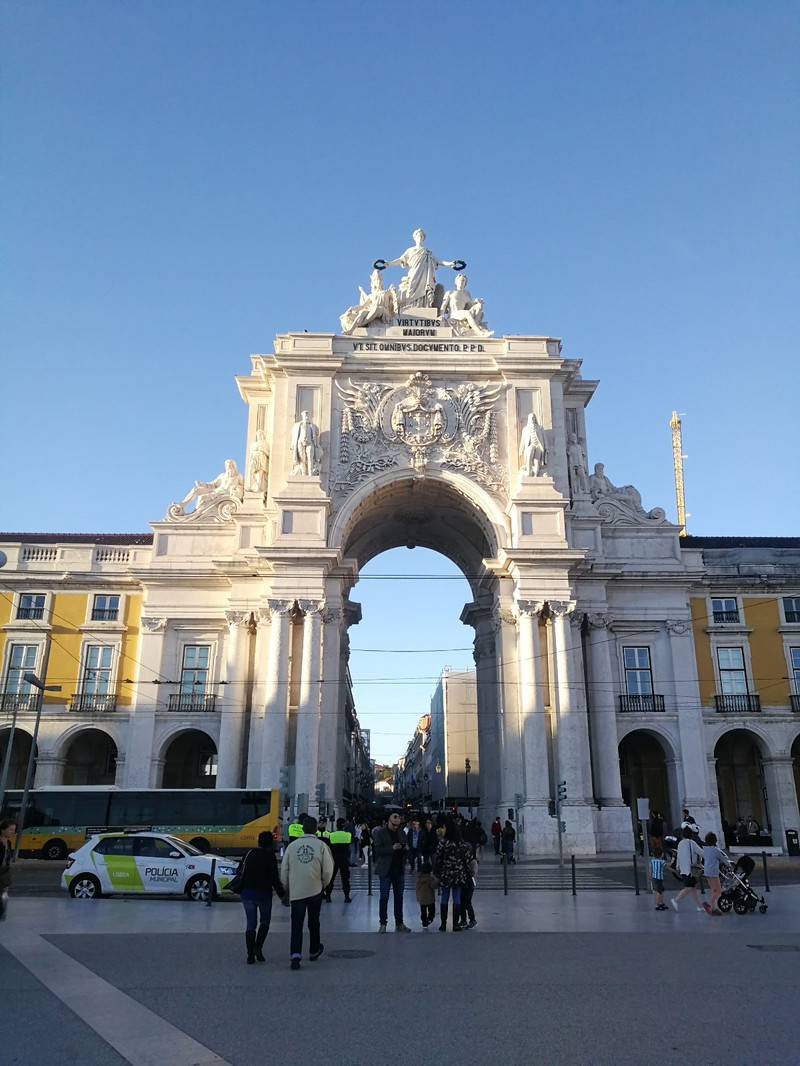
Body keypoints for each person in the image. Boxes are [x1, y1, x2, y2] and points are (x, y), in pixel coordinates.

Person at [280, 816, 334, 970]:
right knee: (313, 921)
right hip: (314, 889)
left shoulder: (292, 846)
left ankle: (295, 955)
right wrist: (323, 884)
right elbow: (328, 870)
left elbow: (284, 870)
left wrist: (286, 888)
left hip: (297, 891)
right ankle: (314, 949)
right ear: (316, 829)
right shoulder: (321, 846)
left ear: (302, 829)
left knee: (296, 924)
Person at [237, 831, 286, 964]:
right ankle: (258, 947)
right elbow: (274, 878)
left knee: (250, 924)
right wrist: (282, 895)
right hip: (263, 894)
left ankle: (249, 955)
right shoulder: (270, 856)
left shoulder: (249, 853)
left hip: (247, 893)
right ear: (270, 842)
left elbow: (239, 871)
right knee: (265, 922)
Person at [384, 228, 456, 309]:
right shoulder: (410, 250)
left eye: (422, 236)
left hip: (425, 274)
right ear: (414, 238)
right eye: (418, 236)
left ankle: (423, 306)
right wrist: (388, 263)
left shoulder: (427, 252)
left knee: (424, 289)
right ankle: (410, 305)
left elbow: (437, 261)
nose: (420, 238)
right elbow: (400, 260)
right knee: (412, 287)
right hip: (414, 272)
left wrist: (449, 263)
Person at [373, 812, 411, 933]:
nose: (395, 827)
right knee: (384, 897)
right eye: (393, 825)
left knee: (399, 897)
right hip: (386, 869)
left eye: (397, 825)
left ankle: (399, 923)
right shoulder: (380, 833)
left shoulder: (401, 833)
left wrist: (406, 848)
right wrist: (392, 848)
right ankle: (383, 923)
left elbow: (407, 848)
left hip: (398, 869)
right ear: (388, 821)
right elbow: (377, 850)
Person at [435, 818, 471, 932]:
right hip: (458, 873)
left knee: (444, 897)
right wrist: (468, 873)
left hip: (446, 873)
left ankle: (443, 924)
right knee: (457, 897)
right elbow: (466, 859)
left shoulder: (443, 842)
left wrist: (438, 871)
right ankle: (455, 924)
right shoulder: (461, 843)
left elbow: (438, 858)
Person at [340, 269, 399, 333]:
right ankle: (350, 330)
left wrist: (394, 294)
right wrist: (353, 308)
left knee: (376, 308)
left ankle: (361, 324)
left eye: (379, 280)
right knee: (363, 312)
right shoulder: (371, 295)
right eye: (376, 280)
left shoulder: (387, 292)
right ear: (373, 282)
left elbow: (395, 302)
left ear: (382, 281)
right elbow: (362, 306)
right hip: (373, 310)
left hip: (383, 311)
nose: (378, 281)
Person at [177, 459, 245, 513]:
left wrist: (235, 489)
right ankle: (183, 504)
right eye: (227, 466)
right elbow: (213, 484)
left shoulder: (238, 476)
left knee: (202, 498)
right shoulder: (222, 475)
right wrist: (202, 484)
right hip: (216, 491)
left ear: (234, 466)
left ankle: (196, 513)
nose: (229, 467)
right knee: (196, 490)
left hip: (223, 494)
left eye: (230, 465)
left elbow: (242, 488)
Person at [671, 826, 709, 914]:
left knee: (693, 888)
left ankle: (699, 906)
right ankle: (676, 900)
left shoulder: (680, 843)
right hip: (690, 869)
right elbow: (701, 853)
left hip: (683, 869)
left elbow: (679, 856)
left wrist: (678, 867)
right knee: (689, 887)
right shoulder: (692, 843)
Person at [325, 818, 352, 903]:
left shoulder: (332, 835)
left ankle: (328, 896)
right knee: (345, 879)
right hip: (344, 859)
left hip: (334, 859)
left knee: (331, 878)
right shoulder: (348, 835)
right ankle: (346, 897)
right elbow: (349, 843)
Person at [702, 832, 728, 915]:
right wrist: (729, 864)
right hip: (713, 872)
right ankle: (711, 906)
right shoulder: (716, 850)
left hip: (706, 871)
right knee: (719, 890)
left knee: (713, 889)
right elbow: (723, 859)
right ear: (715, 840)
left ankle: (713, 906)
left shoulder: (705, 849)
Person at [291, 411, 322, 476]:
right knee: (302, 458)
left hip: (310, 442)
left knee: (310, 458)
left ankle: (310, 473)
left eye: (307, 416)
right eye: (305, 416)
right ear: (303, 417)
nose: (306, 417)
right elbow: (294, 436)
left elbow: (316, 436)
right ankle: (303, 473)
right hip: (300, 442)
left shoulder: (313, 426)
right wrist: (293, 445)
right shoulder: (297, 425)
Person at [0, 819, 16, 922]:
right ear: (3, 830)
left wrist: (6, 883)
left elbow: (7, 863)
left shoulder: (8, 843)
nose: (13, 832)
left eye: (13, 830)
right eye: (11, 829)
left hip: (3, 875)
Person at [415, 861, 438, 929]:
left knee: (423, 911)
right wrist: (436, 879)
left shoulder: (419, 879)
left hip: (422, 898)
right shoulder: (429, 879)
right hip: (430, 898)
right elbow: (433, 886)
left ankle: (424, 922)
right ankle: (430, 919)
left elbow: (417, 888)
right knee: (431, 911)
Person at [247, 429, 269, 495]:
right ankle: (250, 486)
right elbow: (250, 453)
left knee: (260, 473)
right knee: (250, 471)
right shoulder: (253, 444)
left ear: (263, 436)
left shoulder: (266, 444)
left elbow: (269, 454)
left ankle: (258, 488)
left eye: (261, 434)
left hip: (262, 459)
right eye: (258, 435)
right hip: (254, 459)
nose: (259, 436)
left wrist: (263, 450)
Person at [650, 846, 668, 911]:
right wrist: (674, 870)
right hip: (659, 877)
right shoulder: (661, 861)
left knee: (662, 890)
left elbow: (651, 868)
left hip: (655, 877)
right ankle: (658, 904)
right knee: (659, 891)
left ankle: (661, 902)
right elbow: (667, 867)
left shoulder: (652, 860)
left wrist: (650, 875)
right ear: (661, 854)